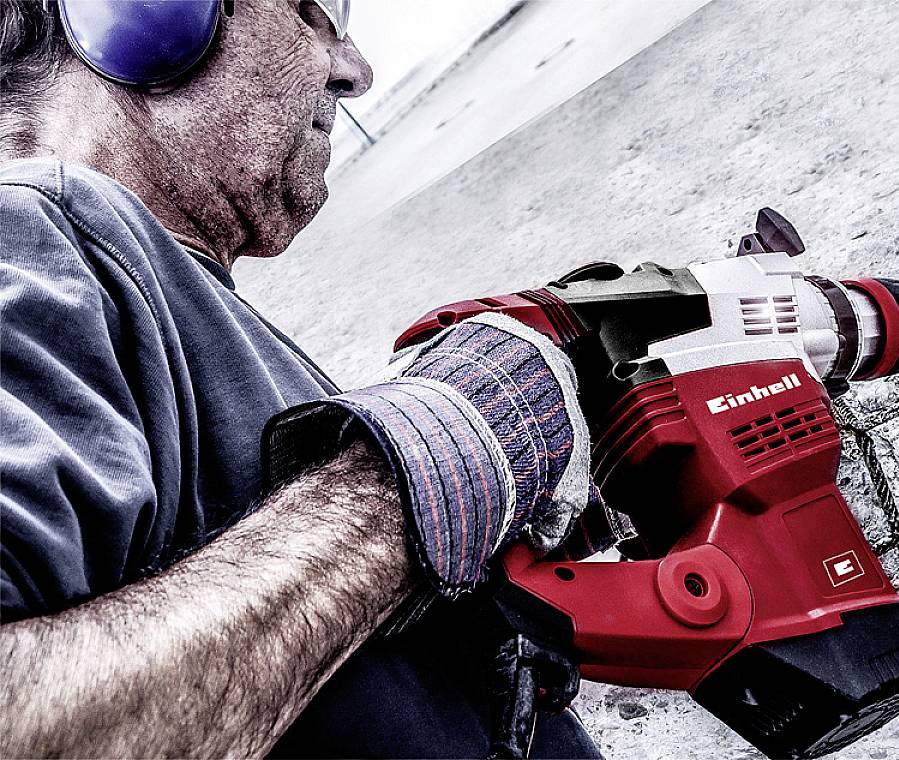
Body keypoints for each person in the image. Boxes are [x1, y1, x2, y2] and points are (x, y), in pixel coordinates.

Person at [0, 1, 602, 757]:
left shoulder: (131, 283)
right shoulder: (30, 238)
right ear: (139, 14)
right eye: (308, 14)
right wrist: (406, 480)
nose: (353, 70)